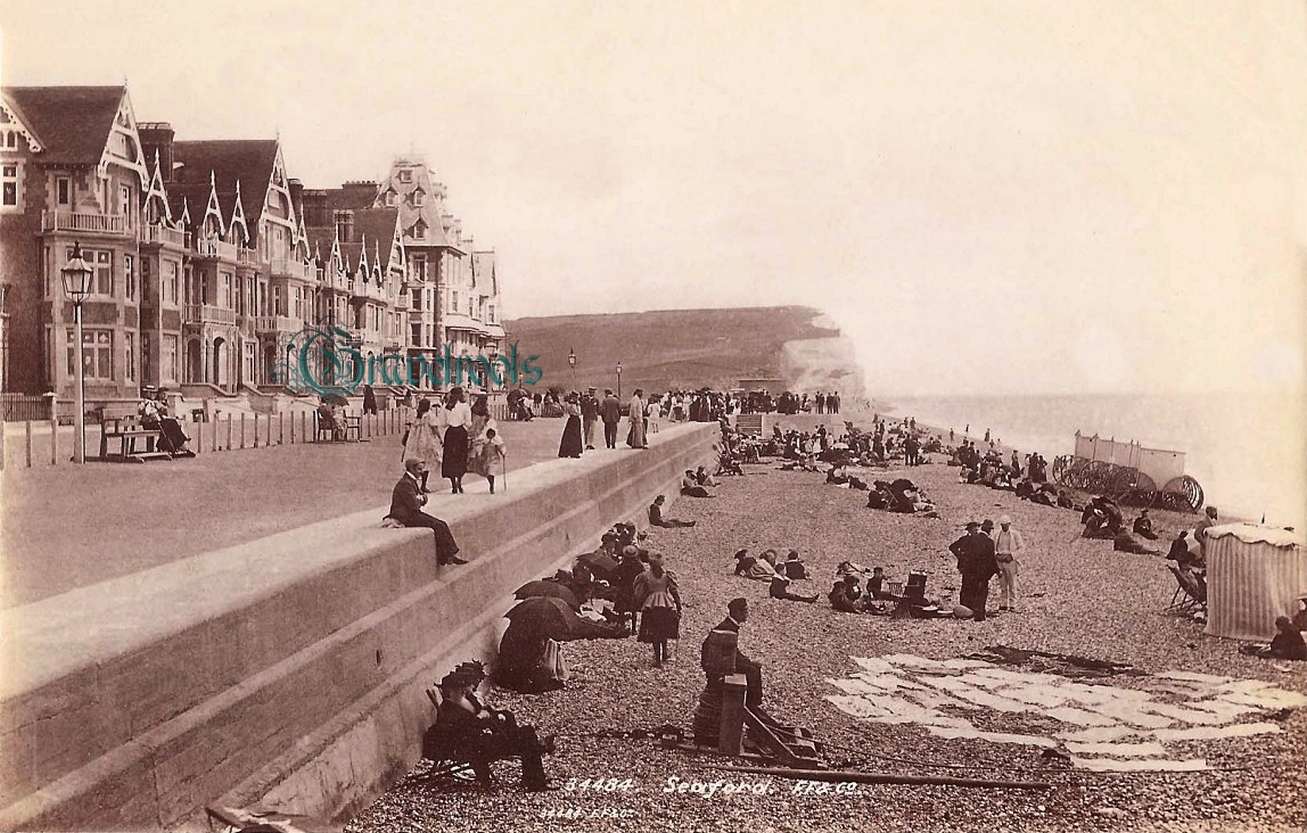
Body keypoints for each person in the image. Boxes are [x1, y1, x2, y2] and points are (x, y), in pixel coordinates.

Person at [424, 660, 555, 791]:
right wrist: (481, 719)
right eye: (463, 689)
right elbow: (465, 732)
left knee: (521, 729)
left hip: (481, 741)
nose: (467, 691)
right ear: (454, 690)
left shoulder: (462, 701)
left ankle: (534, 771)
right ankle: (535, 778)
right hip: (477, 747)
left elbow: (478, 713)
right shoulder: (450, 709)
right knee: (527, 735)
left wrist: (487, 716)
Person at [384, 459, 466, 565]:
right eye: (419, 469)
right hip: (406, 516)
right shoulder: (406, 483)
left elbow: (420, 499)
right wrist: (421, 499)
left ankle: (448, 556)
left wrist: (420, 499)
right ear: (412, 469)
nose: (421, 472)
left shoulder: (409, 480)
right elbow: (415, 504)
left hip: (410, 513)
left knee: (441, 524)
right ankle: (447, 556)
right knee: (439, 525)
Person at [704, 598, 764, 708]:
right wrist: (747, 662)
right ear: (737, 613)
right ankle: (752, 704)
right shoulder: (729, 628)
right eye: (745, 612)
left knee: (754, 666)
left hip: (720, 661)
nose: (747, 614)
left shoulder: (729, 625)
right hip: (719, 665)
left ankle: (753, 704)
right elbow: (730, 653)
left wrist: (747, 661)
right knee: (753, 670)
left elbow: (732, 650)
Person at [633, 551, 683, 667]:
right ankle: (665, 654)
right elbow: (674, 592)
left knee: (654, 631)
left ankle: (657, 660)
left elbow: (640, 593)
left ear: (650, 564)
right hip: (665, 604)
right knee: (663, 630)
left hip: (651, 605)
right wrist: (679, 606)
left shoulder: (645, 576)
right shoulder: (667, 576)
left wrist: (640, 603)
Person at [949, 521, 998, 621]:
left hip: (969, 570)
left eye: (976, 529)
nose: (975, 531)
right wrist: (996, 570)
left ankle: (966, 611)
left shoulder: (972, 540)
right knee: (977, 591)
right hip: (978, 571)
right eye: (973, 529)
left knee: (968, 588)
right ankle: (975, 613)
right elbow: (991, 559)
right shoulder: (985, 541)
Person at [402, 398, 443, 493]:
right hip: (427, 442)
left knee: (414, 462)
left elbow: (407, 426)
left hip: (414, 441)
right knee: (426, 464)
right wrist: (440, 438)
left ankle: (414, 484)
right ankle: (423, 485)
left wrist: (406, 437)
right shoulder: (429, 415)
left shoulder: (413, 414)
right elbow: (435, 428)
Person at [442, 386, 472, 494]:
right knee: (461, 457)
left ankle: (453, 484)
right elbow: (468, 423)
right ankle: (459, 481)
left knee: (450, 458)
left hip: (450, 433)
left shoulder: (446, 407)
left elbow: (443, 423)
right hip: (460, 433)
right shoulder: (465, 406)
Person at [993, 515, 1025, 612]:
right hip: (1000, 560)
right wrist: (997, 555)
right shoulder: (997, 534)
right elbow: (993, 547)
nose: (1004, 527)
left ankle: (1012, 604)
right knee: (1002, 584)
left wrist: (1011, 556)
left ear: (1009, 524)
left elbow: (1021, 548)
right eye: (1002, 525)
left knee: (1012, 583)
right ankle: (1003, 604)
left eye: (1005, 525)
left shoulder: (1015, 534)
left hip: (1010, 561)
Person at [1240, 617, 1307, 661]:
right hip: (1297, 650)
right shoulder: (1290, 629)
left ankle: (1251, 650)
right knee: (1267, 650)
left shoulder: (1289, 631)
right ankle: (1251, 649)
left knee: (1268, 653)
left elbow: (1280, 645)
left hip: (1295, 652)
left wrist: (1272, 647)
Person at [468, 425, 506, 493]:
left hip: (494, 459)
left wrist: (503, 453)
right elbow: (477, 447)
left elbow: (501, 447)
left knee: (491, 472)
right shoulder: (483, 441)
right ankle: (490, 482)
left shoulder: (496, 441)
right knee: (487, 473)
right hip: (485, 459)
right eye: (489, 434)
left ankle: (492, 485)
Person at [557, 393, 583, 458]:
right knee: (573, 436)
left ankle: (569, 451)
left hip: (573, 420)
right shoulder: (573, 404)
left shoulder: (573, 404)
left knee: (572, 435)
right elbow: (577, 412)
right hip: (574, 419)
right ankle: (573, 452)